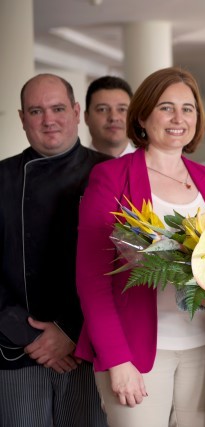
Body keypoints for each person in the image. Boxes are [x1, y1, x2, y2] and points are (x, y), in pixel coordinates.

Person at [75, 67, 205, 427]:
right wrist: (117, 360)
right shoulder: (111, 177)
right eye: (166, 108)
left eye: (188, 109)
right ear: (142, 116)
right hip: (137, 351)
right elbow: (91, 280)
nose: (179, 119)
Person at [0, 74, 109, 426]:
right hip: (18, 346)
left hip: (90, 346)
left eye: (58, 108)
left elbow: (122, 269)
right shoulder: (2, 178)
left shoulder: (109, 173)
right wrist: (28, 334)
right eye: (36, 111)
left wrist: (70, 332)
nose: (49, 120)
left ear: (76, 112)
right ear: (21, 118)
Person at [85, 75, 135, 157]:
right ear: (86, 117)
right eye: (102, 109)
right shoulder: (70, 169)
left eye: (122, 109)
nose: (114, 117)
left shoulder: (154, 167)